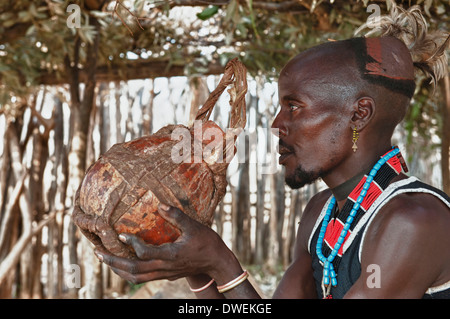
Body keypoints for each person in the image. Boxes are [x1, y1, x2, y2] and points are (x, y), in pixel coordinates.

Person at [94, 3, 450, 299]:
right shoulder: (321, 215)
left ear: (359, 114)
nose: (276, 124)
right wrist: (198, 267)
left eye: (294, 107)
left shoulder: (414, 221)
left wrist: (220, 262)